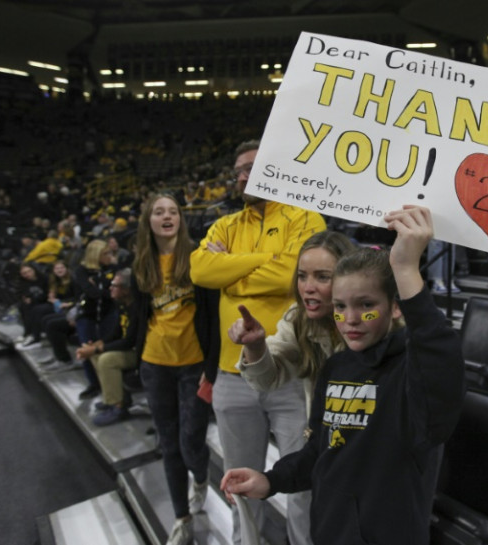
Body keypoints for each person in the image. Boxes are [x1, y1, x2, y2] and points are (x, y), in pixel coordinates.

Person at [220, 205, 466, 545]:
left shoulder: (412, 368)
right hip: (330, 529)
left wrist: (406, 268)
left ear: (395, 306)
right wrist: (271, 481)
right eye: (340, 307)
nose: (351, 318)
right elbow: (319, 452)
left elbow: (440, 355)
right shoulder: (335, 367)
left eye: (366, 306)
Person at [190, 139, 327, 545]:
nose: (243, 177)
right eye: (239, 172)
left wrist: (230, 269)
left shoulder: (306, 218)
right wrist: (265, 262)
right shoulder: (224, 225)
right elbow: (201, 268)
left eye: (251, 167)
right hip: (233, 375)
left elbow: (292, 273)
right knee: (240, 483)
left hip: (293, 372)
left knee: (302, 482)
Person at [132, 192, 220, 545]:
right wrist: (136, 353)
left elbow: (213, 319)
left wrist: (211, 369)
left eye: (173, 211)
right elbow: (141, 315)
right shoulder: (140, 262)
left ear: (181, 219)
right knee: (168, 446)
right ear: (149, 221)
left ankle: (200, 477)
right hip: (155, 366)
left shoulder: (199, 257)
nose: (167, 216)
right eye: (159, 211)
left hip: (193, 366)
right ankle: (181, 516)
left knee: (190, 442)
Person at [231, 231, 356, 411]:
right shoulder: (297, 318)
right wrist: (256, 347)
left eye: (322, 277)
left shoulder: (374, 319)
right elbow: (266, 380)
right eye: (302, 276)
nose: (308, 288)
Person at [76, 268, 138, 427]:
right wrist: (97, 345)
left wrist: (97, 349)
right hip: (129, 349)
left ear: (126, 290)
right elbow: (116, 333)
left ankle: (119, 407)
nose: (110, 288)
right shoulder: (122, 304)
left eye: (114, 285)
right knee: (96, 355)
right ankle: (115, 397)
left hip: (140, 352)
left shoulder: (137, 308)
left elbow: (129, 341)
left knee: (106, 359)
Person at [73, 239, 119, 400]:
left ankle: (110, 386)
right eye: (105, 253)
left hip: (108, 313)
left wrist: (99, 284)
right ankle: (93, 384)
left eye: (110, 252)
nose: (110, 256)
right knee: (87, 348)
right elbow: (91, 292)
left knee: (106, 348)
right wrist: (104, 285)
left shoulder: (113, 268)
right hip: (87, 315)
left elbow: (114, 293)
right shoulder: (81, 270)